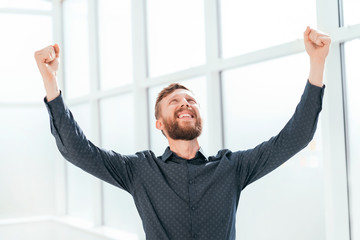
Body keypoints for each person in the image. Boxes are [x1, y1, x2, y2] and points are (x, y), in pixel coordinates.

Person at [34, 26, 330, 240]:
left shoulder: (231, 169)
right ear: (159, 124)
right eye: (174, 101)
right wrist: (51, 82)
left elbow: (296, 136)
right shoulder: (139, 171)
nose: (185, 104)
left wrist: (317, 63)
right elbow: (75, 149)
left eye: (190, 100)